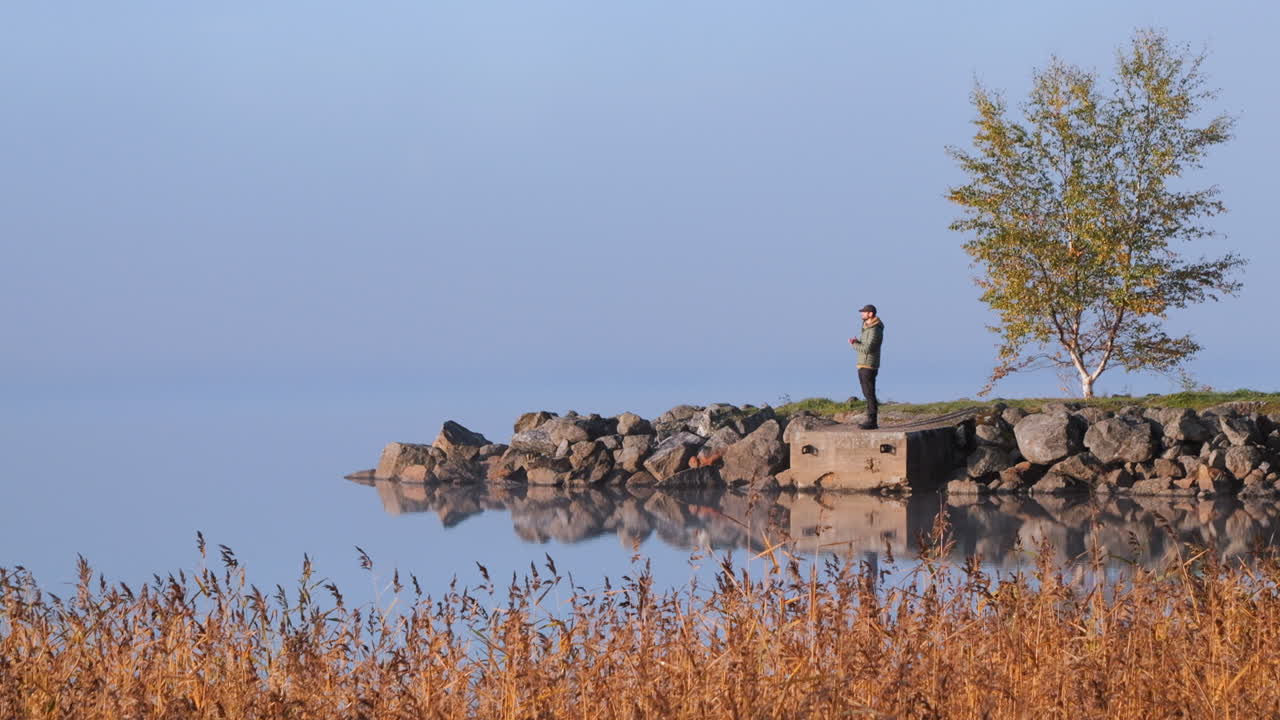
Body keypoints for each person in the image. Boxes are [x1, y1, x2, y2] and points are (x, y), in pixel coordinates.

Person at [847, 304, 883, 429]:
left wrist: (854, 345)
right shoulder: (867, 327)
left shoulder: (875, 329)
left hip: (869, 365)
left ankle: (872, 421)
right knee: (867, 392)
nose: (862, 314)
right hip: (862, 364)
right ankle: (870, 419)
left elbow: (868, 348)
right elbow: (865, 344)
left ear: (871, 314)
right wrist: (857, 342)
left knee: (869, 393)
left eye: (864, 312)